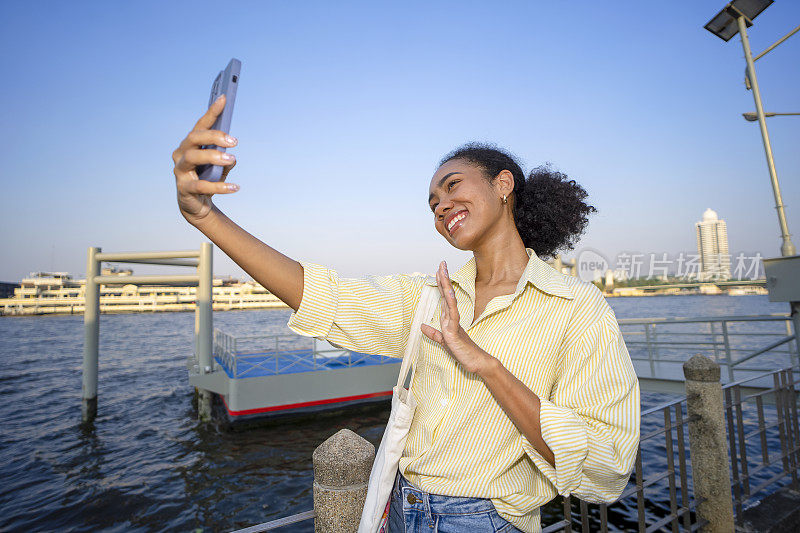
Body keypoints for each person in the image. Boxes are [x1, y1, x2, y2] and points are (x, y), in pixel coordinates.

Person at [172, 95, 640, 533]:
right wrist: (205, 216)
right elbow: (323, 295)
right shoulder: (430, 298)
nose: (441, 207)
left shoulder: (576, 307)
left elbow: (607, 463)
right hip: (400, 510)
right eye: (432, 204)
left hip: (485, 522)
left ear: (503, 185)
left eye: (452, 186)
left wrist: (489, 367)